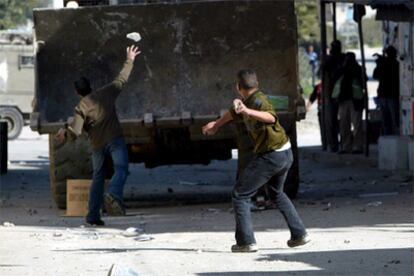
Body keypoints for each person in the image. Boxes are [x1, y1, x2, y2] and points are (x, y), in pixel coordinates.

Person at [202, 69, 309, 252]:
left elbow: (271, 117)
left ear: (238, 87)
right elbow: (233, 113)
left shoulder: (259, 101)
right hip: (284, 153)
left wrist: (248, 111)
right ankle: (299, 234)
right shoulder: (246, 102)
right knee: (276, 193)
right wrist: (216, 125)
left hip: (272, 155)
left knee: (240, 195)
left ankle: (246, 242)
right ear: (256, 84)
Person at [55, 45, 141, 226]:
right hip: (115, 139)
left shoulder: (80, 108)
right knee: (121, 169)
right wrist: (130, 59)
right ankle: (114, 194)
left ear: (77, 92)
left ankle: (93, 215)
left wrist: (64, 132)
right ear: (90, 87)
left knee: (98, 177)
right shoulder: (106, 93)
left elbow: (75, 131)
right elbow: (122, 79)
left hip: (97, 146)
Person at [332, 52, 364, 154]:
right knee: (344, 125)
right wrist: (343, 67)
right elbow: (334, 77)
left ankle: (357, 146)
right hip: (343, 101)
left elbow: (363, 81)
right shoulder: (342, 69)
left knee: (357, 125)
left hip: (355, 100)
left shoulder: (358, 69)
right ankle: (346, 146)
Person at [321, 40, 345, 152]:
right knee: (332, 121)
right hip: (331, 93)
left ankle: (342, 144)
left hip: (341, 93)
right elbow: (323, 70)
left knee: (342, 121)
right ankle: (334, 144)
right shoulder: (330, 60)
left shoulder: (342, 59)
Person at [373, 46, 400, 135]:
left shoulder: (390, 64)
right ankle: (392, 137)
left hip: (387, 95)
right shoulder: (395, 64)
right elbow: (376, 75)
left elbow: (376, 75)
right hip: (389, 95)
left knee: (388, 120)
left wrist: (380, 62)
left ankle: (390, 137)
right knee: (392, 120)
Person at [307, 82, 326, 149]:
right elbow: (312, 97)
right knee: (322, 128)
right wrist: (307, 107)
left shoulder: (330, 85)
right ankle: (324, 144)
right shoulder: (318, 86)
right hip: (321, 111)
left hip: (330, 110)